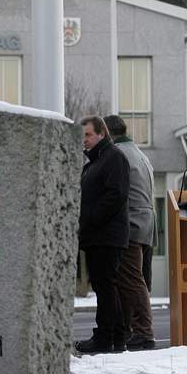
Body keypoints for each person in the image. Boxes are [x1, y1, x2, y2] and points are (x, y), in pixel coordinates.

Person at [75, 115, 130, 354]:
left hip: (107, 235)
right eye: (82, 136)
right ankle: (116, 337)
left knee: (106, 286)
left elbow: (115, 195)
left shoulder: (114, 158)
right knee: (105, 286)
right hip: (98, 235)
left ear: (102, 134)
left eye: (88, 135)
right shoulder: (95, 162)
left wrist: (90, 220)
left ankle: (105, 337)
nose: (84, 140)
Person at [104, 114, 157, 350]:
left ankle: (144, 332)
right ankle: (132, 330)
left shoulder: (119, 154)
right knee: (134, 278)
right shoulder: (139, 153)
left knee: (132, 279)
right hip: (146, 223)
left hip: (131, 223)